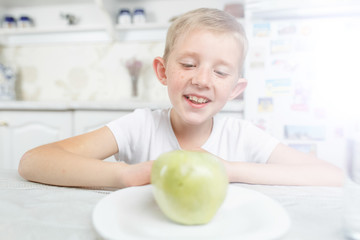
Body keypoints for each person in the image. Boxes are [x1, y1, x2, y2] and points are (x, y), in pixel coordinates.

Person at [18, 8, 343, 189]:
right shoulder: (139, 125)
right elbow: (33, 161)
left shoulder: (241, 137)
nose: (201, 80)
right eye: (188, 64)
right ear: (162, 71)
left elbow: (331, 176)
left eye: (220, 72)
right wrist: (126, 175)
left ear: (235, 90)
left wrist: (229, 169)